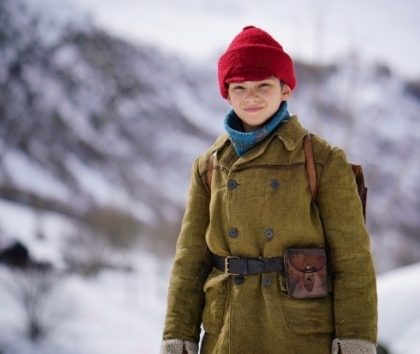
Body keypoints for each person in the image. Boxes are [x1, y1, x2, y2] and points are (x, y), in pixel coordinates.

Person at [160, 26, 377, 354]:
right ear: (227, 93)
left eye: (264, 84)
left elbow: (353, 258)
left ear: (285, 89)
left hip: (299, 334)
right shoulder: (208, 166)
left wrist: (356, 340)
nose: (251, 96)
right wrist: (178, 334)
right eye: (240, 87)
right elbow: (190, 259)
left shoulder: (323, 161)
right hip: (226, 330)